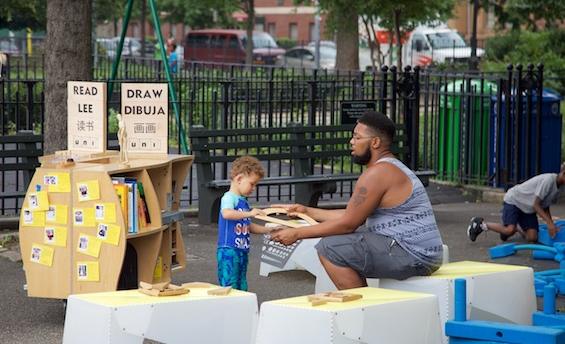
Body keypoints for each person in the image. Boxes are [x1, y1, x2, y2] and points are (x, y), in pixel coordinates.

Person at [269, 111, 444, 290]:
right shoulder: (389, 167)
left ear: (375, 142)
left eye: (357, 137)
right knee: (342, 244)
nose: (351, 142)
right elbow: (353, 215)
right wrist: (306, 211)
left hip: (412, 254)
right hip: (419, 252)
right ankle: (365, 304)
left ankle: (361, 308)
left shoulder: (378, 173)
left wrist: (296, 234)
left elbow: (348, 224)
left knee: (331, 248)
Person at [217, 156, 278, 290]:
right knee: (229, 286)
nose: (254, 188)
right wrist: (250, 213)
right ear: (239, 179)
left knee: (242, 284)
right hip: (229, 249)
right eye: (252, 183)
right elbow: (226, 213)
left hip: (242, 250)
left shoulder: (242, 201)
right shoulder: (229, 197)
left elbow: (247, 225)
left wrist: (268, 229)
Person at [468, 163, 565, 243]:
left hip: (528, 208)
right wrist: (550, 224)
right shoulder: (548, 180)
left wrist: (551, 224)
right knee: (509, 230)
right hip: (515, 200)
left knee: (532, 237)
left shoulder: (561, 188)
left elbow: (545, 205)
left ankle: (514, 226)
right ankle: (481, 223)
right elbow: (536, 205)